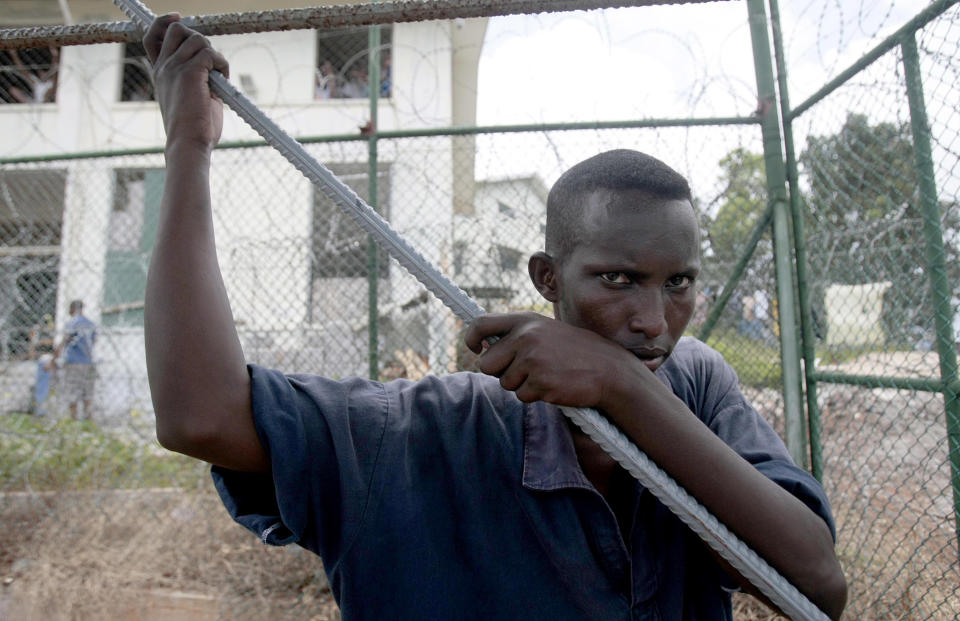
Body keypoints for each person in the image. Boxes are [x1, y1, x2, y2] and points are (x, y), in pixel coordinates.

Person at [142, 14, 846, 620]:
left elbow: (817, 585)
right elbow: (197, 416)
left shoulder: (696, 384)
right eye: (619, 279)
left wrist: (622, 387)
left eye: (680, 283)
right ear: (547, 277)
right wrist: (188, 149)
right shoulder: (419, 436)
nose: (654, 321)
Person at [49, 299, 97, 420]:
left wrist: (54, 359)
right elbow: (94, 341)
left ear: (72, 310)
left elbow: (65, 340)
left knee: (72, 391)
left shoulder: (72, 323)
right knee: (87, 393)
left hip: (74, 363)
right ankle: (88, 418)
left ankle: (73, 418)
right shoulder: (91, 324)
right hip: (88, 362)